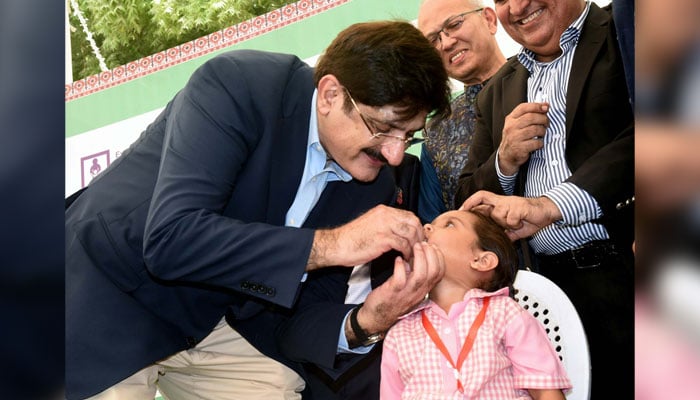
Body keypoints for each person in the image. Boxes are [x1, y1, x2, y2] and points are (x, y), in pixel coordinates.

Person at [65, 20, 451, 400]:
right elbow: (171, 240)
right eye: (384, 128)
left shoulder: (375, 183)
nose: (396, 153)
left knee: (279, 386)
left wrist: (368, 320)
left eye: (410, 135)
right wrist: (330, 245)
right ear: (331, 94)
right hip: (112, 288)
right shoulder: (240, 85)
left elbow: (299, 315)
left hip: (211, 322)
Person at [454, 0, 634, 398]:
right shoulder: (496, 92)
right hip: (552, 293)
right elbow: (467, 200)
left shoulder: (624, 31)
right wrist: (504, 159)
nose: (518, 7)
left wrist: (550, 206)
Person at [380, 210, 571, 399]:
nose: (427, 227)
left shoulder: (506, 313)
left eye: (449, 224)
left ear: (481, 260)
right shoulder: (398, 335)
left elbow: (545, 391)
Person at [415, 0, 506, 223]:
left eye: (454, 24)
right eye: (433, 39)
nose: (446, 43)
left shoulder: (547, 78)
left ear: (489, 20)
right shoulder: (436, 135)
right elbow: (435, 226)